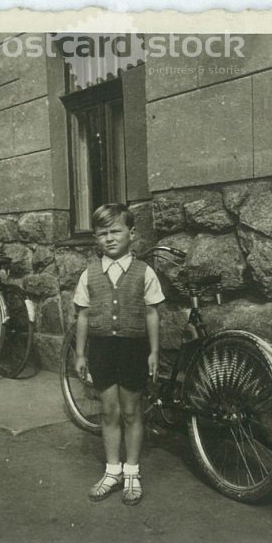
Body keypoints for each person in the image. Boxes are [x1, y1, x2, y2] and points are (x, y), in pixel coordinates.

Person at [73, 203, 165, 506]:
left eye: (115, 231)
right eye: (102, 233)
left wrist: (153, 352)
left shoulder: (144, 272)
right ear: (96, 239)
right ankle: (112, 471)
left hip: (133, 348)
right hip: (101, 349)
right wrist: (81, 355)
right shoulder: (89, 274)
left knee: (131, 411)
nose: (109, 238)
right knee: (109, 411)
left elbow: (152, 313)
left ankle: (132, 472)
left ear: (131, 233)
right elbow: (83, 316)